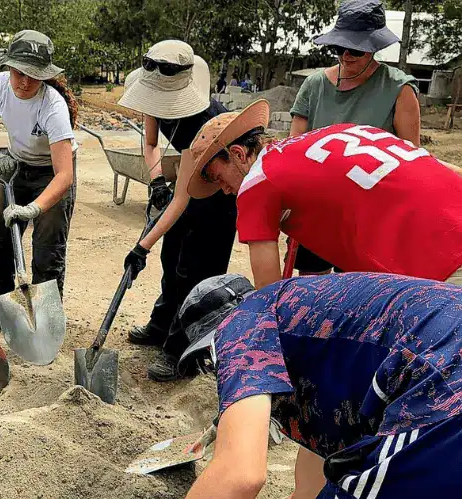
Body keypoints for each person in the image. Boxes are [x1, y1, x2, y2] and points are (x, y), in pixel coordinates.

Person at [182, 272, 462, 498]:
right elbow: (322, 465)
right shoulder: (306, 320)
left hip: (445, 378)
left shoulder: (241, 324)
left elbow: (239, 477)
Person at [179, 99, 462, 289]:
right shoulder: (328, 134)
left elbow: (269, 294)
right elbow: (430, 163)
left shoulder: (258, 180)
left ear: (239, 154)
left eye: (220, 178)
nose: (226, 190)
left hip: (438, 258)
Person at [116, 40, 236, 382]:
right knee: (173, 261)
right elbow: (151, 143)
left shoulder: (204, 123)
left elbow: (183, 199)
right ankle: (160, 325)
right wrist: (156, 181)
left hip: (219, 193)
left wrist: (142, 246)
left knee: (196, 273)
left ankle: (180, 350)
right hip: (184, 182)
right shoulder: (153, 93)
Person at [289, 0, 421, 277]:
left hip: (370, 217)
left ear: (374, 48)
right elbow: (293, 149)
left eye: (356, 50)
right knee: (312, 294)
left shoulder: (398, 90)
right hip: (317, 211)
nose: (346, 56)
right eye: (339, 48)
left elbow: (412, 162)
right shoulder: (314, 85)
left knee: (360, 298)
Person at [0, 30, 79, 336]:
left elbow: (64, 175)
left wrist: (33, 209)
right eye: (19, 73)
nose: (25, 82)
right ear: (8, 67)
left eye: (33, 76)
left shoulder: (53, 106)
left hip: (52, 174)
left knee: (47, 250)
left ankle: (44, 323)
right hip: (16, 169)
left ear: (44, 76)